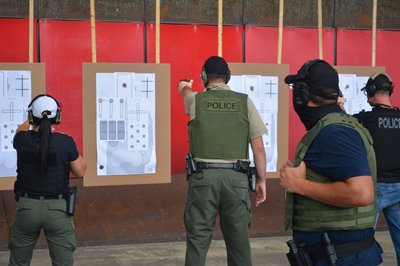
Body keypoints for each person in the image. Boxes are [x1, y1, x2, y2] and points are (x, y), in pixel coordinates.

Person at [279, 59, 383, 265]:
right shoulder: (331, 128)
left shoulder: (335, 132)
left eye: (295, 89)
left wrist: (300, 185)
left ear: (302, 94)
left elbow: (361, 192)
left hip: (342, 257)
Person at [178, 55, 267, 266]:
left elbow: (186, 93)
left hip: (202, 178)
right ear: (228, 76)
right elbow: (259, 146)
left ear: (203, 77)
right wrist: (261, 180)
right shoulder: (244, 101)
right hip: (236, 179)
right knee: (239, 243)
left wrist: (184, 86)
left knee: (198, 241)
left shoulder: (195, 100)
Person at [8, 94, 87, 266]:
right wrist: (66, 145)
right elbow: (80, 171)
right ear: (57, 118)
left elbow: (19, 131)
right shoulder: (65, 142)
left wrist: (31, 120)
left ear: (31, 117)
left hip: (27, 208)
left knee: (18, 262)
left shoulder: (22, 140)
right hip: (57, 210)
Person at [353, 72, 400, 265]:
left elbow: (341, 123)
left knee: (360, 243)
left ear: (371, 91)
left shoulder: (365, 119)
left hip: (375, 188)